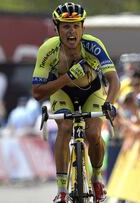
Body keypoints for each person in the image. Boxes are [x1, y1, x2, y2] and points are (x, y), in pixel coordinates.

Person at [31, 2, 120, 202]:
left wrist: (110, 103)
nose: (72, 31)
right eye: (66, 26)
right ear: (57, 29)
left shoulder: (92, 45)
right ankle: (62, 190)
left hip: (92, 92)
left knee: (93, 133)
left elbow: (113, 79)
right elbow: (37, 92)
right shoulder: (48, 49)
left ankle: (97, 179)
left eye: (76, 26)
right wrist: (66, 78)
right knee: (64, 128)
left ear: (83, 28)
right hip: (62, 92)